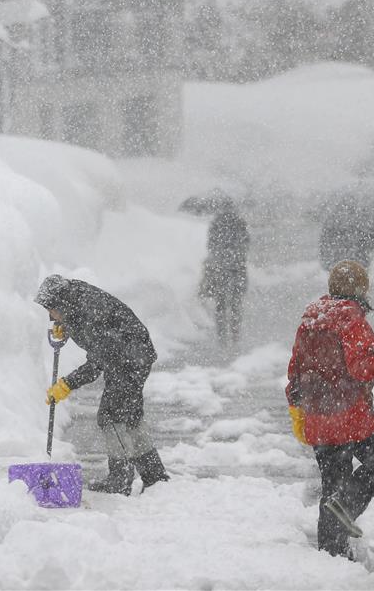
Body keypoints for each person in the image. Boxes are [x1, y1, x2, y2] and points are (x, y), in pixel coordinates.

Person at [285, 260, 374, 557]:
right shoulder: (351, 320)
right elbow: (361, 369)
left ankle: (332, 554)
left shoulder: (310, 320)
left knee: (331, 486)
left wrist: (296, 410)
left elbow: (295, 370)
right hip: (349, 417)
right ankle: (346, 505)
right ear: (362, 290)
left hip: (317, 419)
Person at [35, 274, 170, 495]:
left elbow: (98, 361)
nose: (50, 315)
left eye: (51, 309)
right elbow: (98, 333)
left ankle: (121, 478)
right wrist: (66, 326)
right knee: (131, 416)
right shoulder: (76, 299)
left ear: (61, 303)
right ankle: (153, 474)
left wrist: (67, 384)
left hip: (127, 358)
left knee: (111, 416)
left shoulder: (89, 314)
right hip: (133, 354)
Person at [198, 201, 250, 343]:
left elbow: (211, 245)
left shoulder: (216, 223)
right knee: (235, 303)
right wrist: (237, 255)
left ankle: (221, 335)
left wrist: (220, 257)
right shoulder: (239, 222)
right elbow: (246, 243)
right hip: (237, 267)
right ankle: (235, 333)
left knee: (220, 303)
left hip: (220, 268)